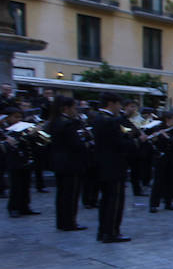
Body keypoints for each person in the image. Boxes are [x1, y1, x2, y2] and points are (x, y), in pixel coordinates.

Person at [90, 93, 132, 243]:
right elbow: (119, 143)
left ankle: (103, 231)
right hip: (114, 165)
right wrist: (135, 141)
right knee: (115, 201)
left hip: (102, 164)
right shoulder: (111, 121)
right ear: (111, 103)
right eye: (119, 104)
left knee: (106, 200)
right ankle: (112, 232)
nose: (120, 107)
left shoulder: (98, 118)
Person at [48, 96, 89, 230]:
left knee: (62, 194)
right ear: (66, 108)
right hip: (71, 163)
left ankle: (62, 222)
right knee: (71, 194)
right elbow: (76, 144)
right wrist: (86, 141)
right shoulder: (67, 124)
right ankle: (69, 222)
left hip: (59, 162)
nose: (75, 110)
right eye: (74, 108)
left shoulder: (55, 121)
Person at [3, 107, 39, 217]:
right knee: (16, 186)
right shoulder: (6, 130)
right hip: (14, 160)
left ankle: (25, 206)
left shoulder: (24, 127)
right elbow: (12, 143)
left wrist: (35, 134)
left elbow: (32, 143)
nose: (18, 119)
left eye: (20, 117)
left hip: (26, 159)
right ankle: (13, 207)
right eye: (15, 117)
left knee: (26, 184)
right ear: (8, 118)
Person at [147, 112, 173, 213]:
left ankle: (168, 202)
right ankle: (154, 204)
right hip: (160, 158)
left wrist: (167, 137)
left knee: (171, 180)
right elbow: (154, 143)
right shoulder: (158, 128)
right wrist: (155, 139)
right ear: (167, 119)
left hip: (172, 157)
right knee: (158, 181)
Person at [122, 100, 149, 197]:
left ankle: (137, 190)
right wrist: (134, 131)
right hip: (126, 147)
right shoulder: (122, 118)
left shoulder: (136, 118)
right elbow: (124, 131)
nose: (134, 109)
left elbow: (141, 127)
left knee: (136, 170)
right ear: (125, 107)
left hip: (136, 148)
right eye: (132, 106)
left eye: (135, 107)